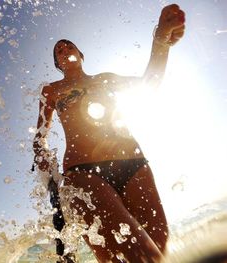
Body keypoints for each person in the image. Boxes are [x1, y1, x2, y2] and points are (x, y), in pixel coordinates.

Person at [33, 4, 185, 263]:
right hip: (83, 171)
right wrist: (41, 154)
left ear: (81, 55)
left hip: (134, 164)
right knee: (142, 257)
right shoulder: (51, 90)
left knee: (159, 249)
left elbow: (150, 82)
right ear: (58, 64)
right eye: (58, 50)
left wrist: (161, 41)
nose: (63, 48)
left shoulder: (104, 78)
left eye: (68, 45)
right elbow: (40, 135)